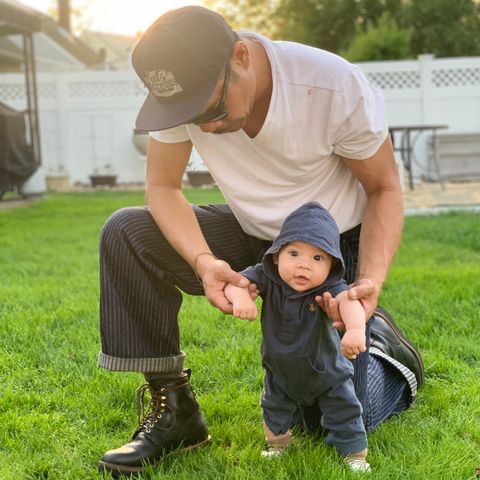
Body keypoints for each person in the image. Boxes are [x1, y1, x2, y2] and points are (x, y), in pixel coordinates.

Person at [97, 6, 424, 477]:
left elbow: (384, 189)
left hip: (329, 249)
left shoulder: (329, 85)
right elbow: (163, 188)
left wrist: (368, 279)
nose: (205, 127)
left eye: (210, 109)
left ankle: (387, 347)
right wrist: (204, 260)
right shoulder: (182, 90)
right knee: (127, 231)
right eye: (190, 115)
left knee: (327, 419)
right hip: (255, 235)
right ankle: (176, 412)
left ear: (242, 57)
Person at [224, 202, 370, 471]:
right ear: (277, 255)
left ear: (331, 265)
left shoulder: (330, 286)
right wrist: (240, 298)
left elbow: (351, 303)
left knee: (344, 409)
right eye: (294, 253)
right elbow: (236, 283)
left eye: (317, 258)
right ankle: (278, 445)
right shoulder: (267, 277)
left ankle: (355, 454)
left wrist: (355, 330)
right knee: (274, 406)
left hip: (326, 372)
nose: (304, 266)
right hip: (280, 370)